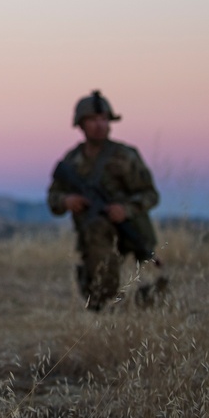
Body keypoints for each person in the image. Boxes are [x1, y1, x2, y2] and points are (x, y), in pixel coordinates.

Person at [47, 90, 162, 311]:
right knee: (99, 283)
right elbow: (53, 198)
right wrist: (66, 200)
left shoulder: (125, 156)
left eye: (104, 119)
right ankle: (102, 305)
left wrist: (126, 209)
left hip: (131, 233)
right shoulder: (72, 162)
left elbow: (150, 195)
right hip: (95, 238)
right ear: (81, 125)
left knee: (148, 293)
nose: (100, 125)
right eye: (93, 120)